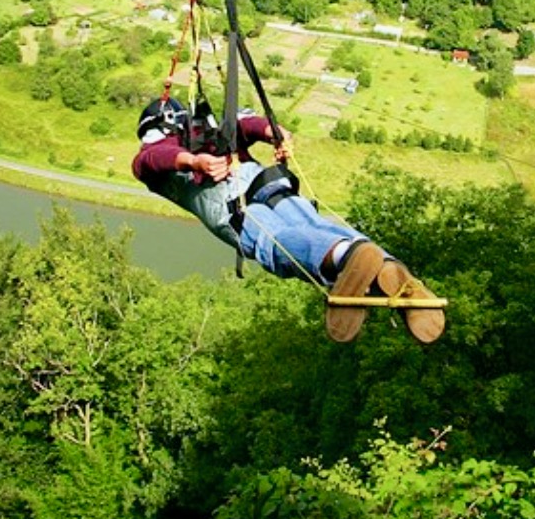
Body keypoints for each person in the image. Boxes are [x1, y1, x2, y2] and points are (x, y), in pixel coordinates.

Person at [132, 96, 445, 343]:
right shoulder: (193, 142)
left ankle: (346, 257)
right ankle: (386, 269)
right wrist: (271, 133)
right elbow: (243, 126)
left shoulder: (167, 154)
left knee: (276, 242)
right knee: (315, 226)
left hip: (236, 210)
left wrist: (199, 159)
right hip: (269, 185)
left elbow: (152, 157)